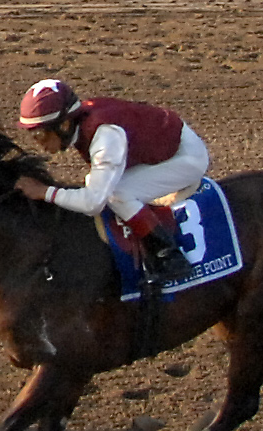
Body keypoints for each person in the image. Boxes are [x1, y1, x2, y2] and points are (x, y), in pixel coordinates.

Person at [13, 80, 215, 338]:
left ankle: (167, 253)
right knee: (100, 185)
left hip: (186, 158)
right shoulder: (85, 125)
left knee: (118, 193)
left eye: (40, 133)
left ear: (63, 125)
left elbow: (93, 203)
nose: (37, 142)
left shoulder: (105, 136)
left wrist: (45, 193)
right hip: (162, 145)